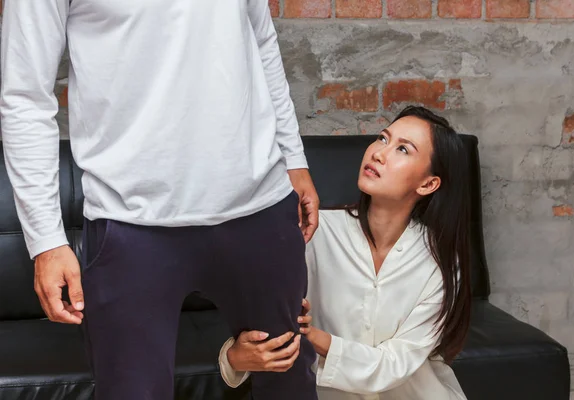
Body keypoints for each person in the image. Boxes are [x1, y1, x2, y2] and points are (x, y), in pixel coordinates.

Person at [0, 1, 319, 399]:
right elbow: (25, 96)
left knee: (289, 384)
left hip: (261, 210)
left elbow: (261, 42)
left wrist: (294, 158)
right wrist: (46, 238)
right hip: (131, 226)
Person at [218, 106, 472, 400]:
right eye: (383, 138)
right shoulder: (311, 231)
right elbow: (264, 324)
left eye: (403, 149)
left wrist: (316, 339)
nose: (379, 153)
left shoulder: (438, 261)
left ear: (428, 184)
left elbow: (395, 364)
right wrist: (234, 358)